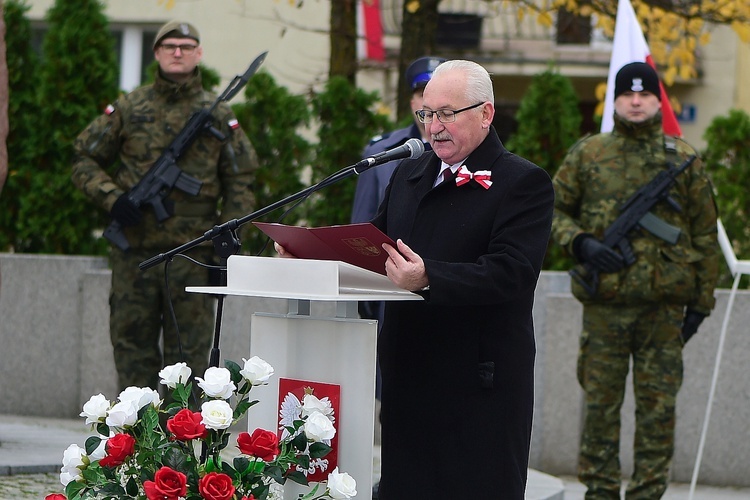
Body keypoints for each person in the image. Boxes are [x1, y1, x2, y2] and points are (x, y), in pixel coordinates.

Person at [277, 59, 554, 498]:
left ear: (486, 114)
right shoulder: (410, 173)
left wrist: (428, 277)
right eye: (426, 114)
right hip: (408, 379)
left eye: (447, 113)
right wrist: (311, 254)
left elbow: (512, 272)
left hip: (478, 387)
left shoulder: (521, 182)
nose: (433, 126)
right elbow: (373, 250)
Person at [551, 62, 721, 499]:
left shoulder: (683, 160)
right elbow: (551, 212)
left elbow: (705, 234)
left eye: (645, 94)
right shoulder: (589, 154)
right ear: (616, 100)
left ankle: (648, 493)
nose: (637, 100)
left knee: (657, 413)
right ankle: (601, 492)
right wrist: (583, 244)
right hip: (605, 308)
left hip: (662, 312)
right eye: (628, 94)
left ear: (657, 99)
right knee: (601, 410)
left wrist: (701, 306)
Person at [72, 20, 258, 391]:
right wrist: (113, 199)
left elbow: (242, 180)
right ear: (156, 53)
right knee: (132, 351)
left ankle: (180, 445)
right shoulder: (130, 106)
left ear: (198, 53)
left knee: (188, 360)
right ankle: (135, 441)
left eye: (186, 46)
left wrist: (227, 247)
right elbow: (83, 158)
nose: (178, 52)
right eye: (170, 45)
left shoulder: (216, 113)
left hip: (192, 255)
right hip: (134, 256)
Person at [351, 55, 444, 408]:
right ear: (413, 101)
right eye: (422, 93)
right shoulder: (384, 153)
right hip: (390, 290)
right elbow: (363, 226)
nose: (429, 104)